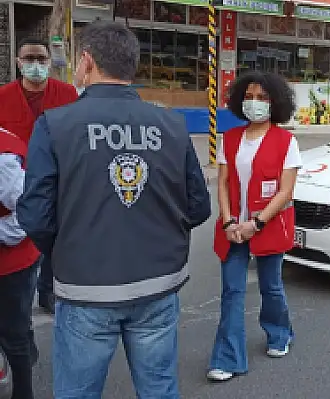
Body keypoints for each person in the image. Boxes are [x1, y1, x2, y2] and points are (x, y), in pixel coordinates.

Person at [16, 20, 211, 398]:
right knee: (159, 389)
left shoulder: (55, 125)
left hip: (86, 288)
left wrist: (71, 247)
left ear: (86, 62)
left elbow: (36, 216)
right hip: (159, 286)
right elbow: (198, 207)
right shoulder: (171, 124)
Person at [208, 71, 300, 382]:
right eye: (248, 96)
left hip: (267, 226)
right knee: (231, 292)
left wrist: (256, 223)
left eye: (262, 97)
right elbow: (222, 183)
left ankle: (280, 333)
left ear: (275, 103)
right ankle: (227, 358)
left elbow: (286, 191)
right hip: (233, 229)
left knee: (270, 287)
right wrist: (229, 221)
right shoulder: (229, 138)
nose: (254, 103)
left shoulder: (286, 141)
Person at [0, 37, 79, 314]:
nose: (35, 65)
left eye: (41, 59)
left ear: (50, 62)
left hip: (56, 178)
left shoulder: (68, 94)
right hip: (13, 183)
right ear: (19, 63)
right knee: (19, 238)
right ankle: (20, 295)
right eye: (29, 59)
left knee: (52, 237)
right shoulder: (3, 97)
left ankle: (48, 291)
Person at [0, 127, 40, 399]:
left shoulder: (3, 157)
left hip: (12, 259)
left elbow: (27, 210)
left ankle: (24, 392)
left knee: (12, 332)